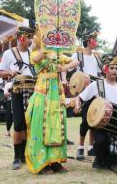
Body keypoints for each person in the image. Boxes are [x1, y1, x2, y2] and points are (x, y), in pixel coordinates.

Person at [25, 33, 79, 174]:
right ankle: (42, 163)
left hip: (55, 95)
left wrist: (64, 68)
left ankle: (55, 162)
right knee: (39, 126)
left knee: (56, 125)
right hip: (42, 94)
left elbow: (76, 62)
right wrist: (46, 46)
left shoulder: (57, 54)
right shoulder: (36, 53)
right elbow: (37, 59)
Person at [74, 54, 117, 168]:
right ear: (105, 69)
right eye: (112, 68)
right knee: (101, 145)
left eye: (116, 68)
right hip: (102, 124)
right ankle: (99, 157)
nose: (115, 71)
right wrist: (77, 106)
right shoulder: (97, 84)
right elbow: (80, 97)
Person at [0, 26, 35, 170]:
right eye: (29, 38)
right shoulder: (9, 53)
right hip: (17, 90)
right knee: (19, 123)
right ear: (21, 38)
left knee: (29, 123)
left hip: (33, 90)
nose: (31, 40)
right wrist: (10, 72)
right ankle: (16, 157)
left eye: (32, 37)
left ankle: (25, 155)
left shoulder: (33, 53)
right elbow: (0, 73)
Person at [72, 27, 102, 160]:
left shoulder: (97, 57)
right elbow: (67, 71)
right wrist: (79, 78)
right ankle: (80, 148)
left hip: (95, 92)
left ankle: (91, 147)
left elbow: (100, 74)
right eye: (95, 39)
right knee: (85, 121)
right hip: (84, 93)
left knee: (94, 119)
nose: (96, 41)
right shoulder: (77, 56)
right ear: (89, 41)